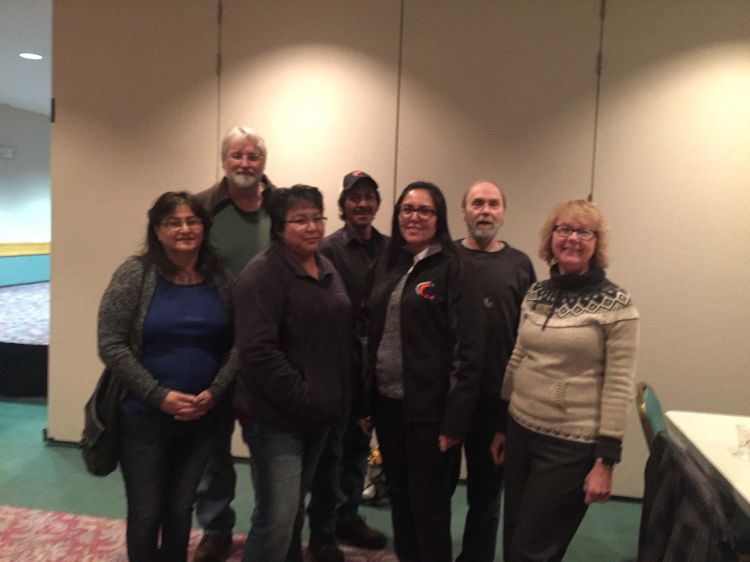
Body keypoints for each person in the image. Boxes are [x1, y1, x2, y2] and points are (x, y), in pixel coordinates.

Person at [97, 191, 236, 562]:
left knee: (179, 511)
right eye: (173, 222)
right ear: (157, 230)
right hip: (143, 418)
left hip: (202, 417)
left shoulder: (220, 276)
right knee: (146, 514)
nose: (184, 229)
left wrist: (216, 391)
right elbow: (110, 344)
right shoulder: (135, 274)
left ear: (204, 228)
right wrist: (159, 395)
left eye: (192, 221)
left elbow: (239, 342)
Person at [498, 199, 640, 562]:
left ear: (597, 242)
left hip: (569, 446)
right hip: (520, 431)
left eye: (583, 231)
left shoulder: (616, 304)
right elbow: (518, 357)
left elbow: (619, 383)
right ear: (551, 237)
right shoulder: (537, 293)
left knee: (533, 550)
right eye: (564, 229)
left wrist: (605, 462)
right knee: (514, 536)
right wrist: (502, 424)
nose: (572, 238)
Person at [361, 181, 481, 562]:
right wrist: (366, 404)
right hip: (388, 405)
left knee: (428, 506)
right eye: (407, 210)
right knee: (398, 497)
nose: (414, 217)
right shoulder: (387, 263)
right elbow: (369, 335)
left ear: (439, 218)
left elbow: (469, 351)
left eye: (424, 210)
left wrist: (455, 422)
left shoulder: (454, 267)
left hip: (432, 413)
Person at [233, 185, 352, 562]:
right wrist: (306, 398)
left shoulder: (325, 266)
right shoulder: (262, 274)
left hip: (318, 415)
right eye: (300, 220)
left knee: (293, 509)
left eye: (317, 217)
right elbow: (258, 352)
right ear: (279, 226)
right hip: (276, 419)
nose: (311, 226)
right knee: (276, 519)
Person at [193, 126, 274, 562]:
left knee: (268, 443)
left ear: (264, 162)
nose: (245, 163)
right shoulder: (202, 208)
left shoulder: (282, 208)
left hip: (267, 348)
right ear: (224, 159)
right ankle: (216, 527)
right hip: (213, 344)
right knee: (212, 443)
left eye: (253, 156)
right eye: (237, 155)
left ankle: (271, 526)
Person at [307, 171, 389, 562]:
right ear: (342, 205)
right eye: (354, 197)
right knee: (331, 454)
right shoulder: (326, 251)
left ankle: (348, 516)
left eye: (369, 197)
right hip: (339, 367)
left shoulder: (393, 250)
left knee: (359, 449)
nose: (362, 203)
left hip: (377, 366)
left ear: (377, 203)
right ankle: (322, 530)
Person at [454, 180, 536, 562]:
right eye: (477, 203)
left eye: (493, 204)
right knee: (435, 491)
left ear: (503, 212)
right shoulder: (444, 259)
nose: (485, 210)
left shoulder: (520, 266)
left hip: (496, 403)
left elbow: (531, 336)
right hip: (448, 401)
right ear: (463, 210)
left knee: (486, 497)